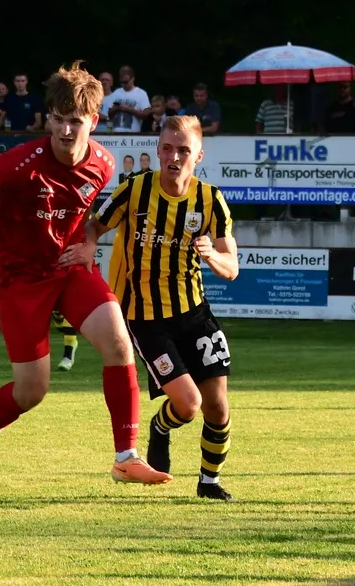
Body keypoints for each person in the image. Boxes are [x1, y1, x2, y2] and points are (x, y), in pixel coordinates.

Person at [0, 60, 173, 487]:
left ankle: (126, 457)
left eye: (76, 122)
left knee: (119, 342)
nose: (66, 131)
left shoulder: (103, 164)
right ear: (50, 118)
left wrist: (89, 244)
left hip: (67, 269)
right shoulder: (21, 163)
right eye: (59, 120)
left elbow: (88, 217)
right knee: (32, 391)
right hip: (21, 279)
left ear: (94, 122)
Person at [75, 114, 239, 501]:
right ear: (158, 151)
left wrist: (212, 257)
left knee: (217, 406)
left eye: (183, 150)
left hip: (194, 313)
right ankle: (161, 427)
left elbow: (231, 266)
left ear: (199, 154)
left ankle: (210, 482)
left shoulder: (210, 199)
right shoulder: (134, 190)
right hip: (146, 318)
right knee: (189, 404)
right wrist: (88, 244)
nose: (174, 157)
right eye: (167, 148)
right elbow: (95, 225)